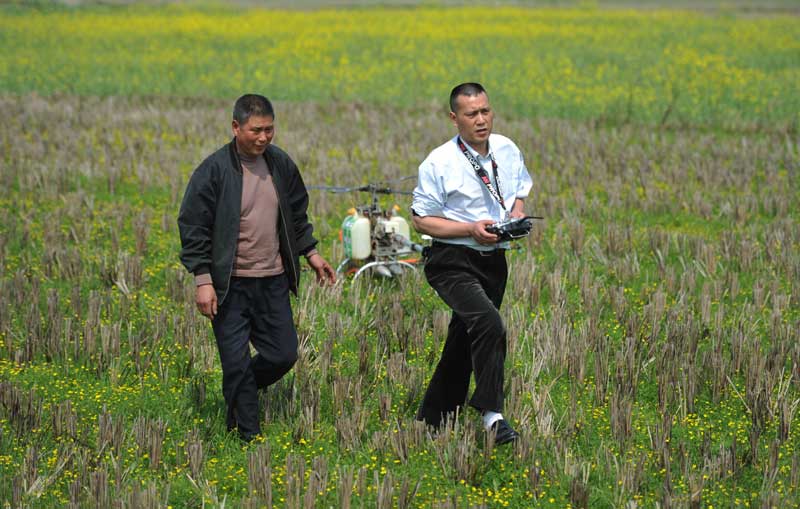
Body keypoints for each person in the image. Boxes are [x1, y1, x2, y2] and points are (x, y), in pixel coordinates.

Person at [178, 94, 336, 441]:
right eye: (256, 130)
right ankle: (248, 439)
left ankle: (239, 389)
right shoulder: (214, 171)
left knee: (283, 355)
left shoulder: (280, 164)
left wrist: (310, 253)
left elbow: (295, 214)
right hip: (229, 285)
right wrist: (203, 280)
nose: (264, 137)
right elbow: (193, 227)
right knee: (234, 362)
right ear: (236, 127)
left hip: (273, 280)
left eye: (269, 130)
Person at [411, 83, 533, 445]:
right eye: (471, 114)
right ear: (454, 118)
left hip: (494, 258)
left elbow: (520, 193)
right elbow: (421, 220)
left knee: (465, 337)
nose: (481, 120)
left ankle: (433, 418)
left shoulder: (507, 149)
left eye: (485, 111)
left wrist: (515, 217)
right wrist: (470, 229)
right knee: (488, 323)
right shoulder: (439, 162)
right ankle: (492, 416)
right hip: (451, 259)